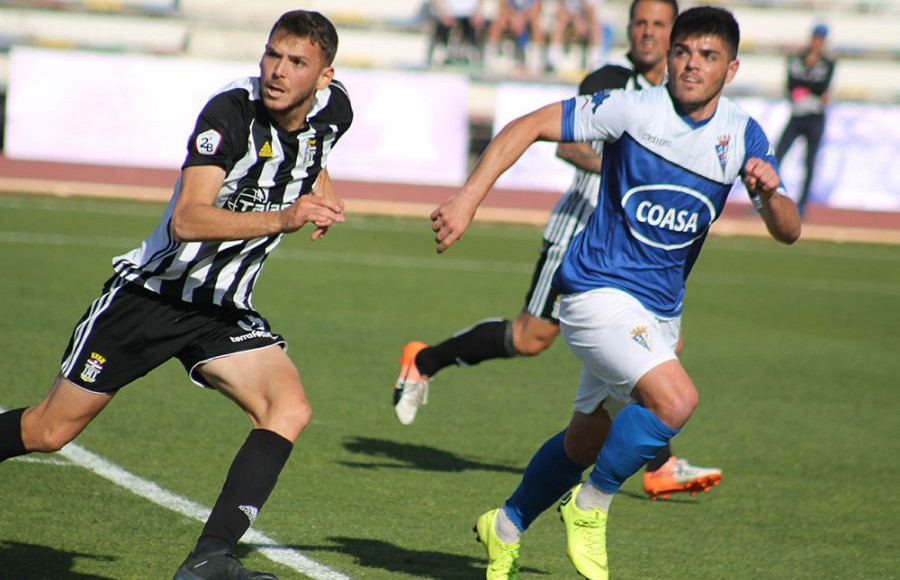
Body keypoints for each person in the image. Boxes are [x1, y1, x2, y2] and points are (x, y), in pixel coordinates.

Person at [430, 6, 801, 579]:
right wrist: (467, 199)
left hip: (658, 313)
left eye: (707, 56)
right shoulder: (632, 107)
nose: (690, 65)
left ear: (731, 68)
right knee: (676, 402)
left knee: (583, 443)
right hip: (594, 292)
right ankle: (591, 505)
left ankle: (503, 526)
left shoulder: (742, 134)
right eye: (683, 52)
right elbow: (526, 125)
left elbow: (789, 230)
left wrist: (772, 193)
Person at [0, 10, 352, 580]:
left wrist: (324, 195)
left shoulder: (336, 112)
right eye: (272, 55)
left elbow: (312, 154)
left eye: (296, 62)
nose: (278, 71)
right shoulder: (230, 114)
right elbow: (188, 220)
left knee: (288, 408)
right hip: (151, 299)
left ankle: (210, 560)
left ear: (324, 77)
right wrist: (287, 215)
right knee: (49, 431)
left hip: (221, 310)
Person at [394, 0, 721, 502]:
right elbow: (568, 143)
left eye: (659, 25)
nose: (648, 33)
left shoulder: (682, 103)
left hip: (631, 254)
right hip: (579, 236)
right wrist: (629, 167)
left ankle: (659, 463)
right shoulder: (612, 80)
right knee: (530, 339)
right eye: (640, 24)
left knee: (656, 347)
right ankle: (425, 359)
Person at [774, 23, 836, 218]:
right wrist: (810, 89)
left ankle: (802, 205)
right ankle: (767, 198)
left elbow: (821, 86)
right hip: (797, 114)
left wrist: (806, 88)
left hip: (815, 117)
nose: (818, 42)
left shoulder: (827, 62)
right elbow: (792, 84)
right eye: (816, 38)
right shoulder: (798, 58)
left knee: (810, 161)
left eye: (821, 39)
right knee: (777, 155)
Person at [484, 0, 546, 72]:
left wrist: (523, 18)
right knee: (499, 21)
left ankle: (536, 57)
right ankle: (491, 54)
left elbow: (536, 7)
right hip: (511, 16)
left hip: (527, 17)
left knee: (536, 22)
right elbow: (503, 5)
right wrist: (512, 17)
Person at [546, 0, 606, 73]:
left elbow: (592, 13)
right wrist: (576, 19)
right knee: (559, 22)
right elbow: (562, 9)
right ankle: (552, 61)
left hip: (586, 20)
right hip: (571, 20)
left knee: (595, 26)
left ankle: (596, 63)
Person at [426, 0, 486, 66]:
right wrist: (441, 12)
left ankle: (469, 50)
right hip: (447, 12)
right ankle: (442, 49)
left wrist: (479, 11)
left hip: (470, 13)